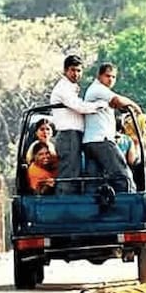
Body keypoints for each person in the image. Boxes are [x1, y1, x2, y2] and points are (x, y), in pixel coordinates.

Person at [49, 55, 107, 194]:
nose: (76, 74)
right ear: (65, 71)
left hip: (75, 134)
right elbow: (79, 107)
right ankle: (64, 206)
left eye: (79, 71)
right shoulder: (63, 88)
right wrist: (99, 105)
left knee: (76, 172)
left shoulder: (72, 88)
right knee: (68, 174)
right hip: (68, 134)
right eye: (73, 70)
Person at [82, 62, 142, 193]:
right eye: (107, 76)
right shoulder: (97, 89)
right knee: (123, 176)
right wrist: (135, 106)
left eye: (113, 77)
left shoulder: (99, 92)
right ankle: (129, 203)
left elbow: (116, 105)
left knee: (94, 180)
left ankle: (94, 211)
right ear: (99, 76)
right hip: (101, 141)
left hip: (91, 141)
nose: (110, 80)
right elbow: (117, 100)